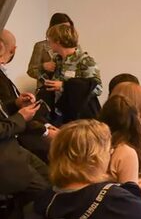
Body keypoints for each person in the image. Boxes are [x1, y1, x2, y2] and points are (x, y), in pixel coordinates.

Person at [0, 29, 56, 162]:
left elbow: (9, 107)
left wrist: (17, 103)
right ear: (13, 50)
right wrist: (46, 130)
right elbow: (9, 117)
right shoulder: (40, 46)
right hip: (14, 139)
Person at [42, 23, 102, 122]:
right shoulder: (57, 60)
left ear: (57, 41)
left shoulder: (86, 61)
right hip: (58, 113)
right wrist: (43, 67)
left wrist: (64, 86)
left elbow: (97, 89)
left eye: (50, 40)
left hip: (79, 117)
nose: (49, 44)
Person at [26, 12, 71, 82]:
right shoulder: (41, 46)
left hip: (68, 88)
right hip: (46, 88)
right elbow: (31, 70)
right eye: (62, 28)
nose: (66, 31)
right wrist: (43, 67)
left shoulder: (73, 47)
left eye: (68, 28)